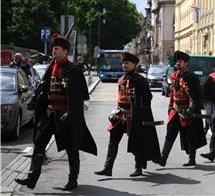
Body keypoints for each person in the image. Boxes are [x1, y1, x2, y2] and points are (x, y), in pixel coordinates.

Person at [15, 36, 97, 190]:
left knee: (71, 148)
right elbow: (45, 89)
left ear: (65, 51)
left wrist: (71, 113)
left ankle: (73, 180)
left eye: (57, 48)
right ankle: (32, 177)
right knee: (39, 143)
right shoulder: (51, 68)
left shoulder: (73, 70)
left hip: (66, 115)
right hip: (50, 114)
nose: (53, 50)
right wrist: (37, 99)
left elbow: (80, 97)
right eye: (53, 48)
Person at [94, 52, 161, 177]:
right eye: (123, 63)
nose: (124, 65)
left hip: (136, 116)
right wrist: (116, 112)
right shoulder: (121, 79)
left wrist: (138, 113)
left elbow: (147, 100)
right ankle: (107, 168)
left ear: (134, 64)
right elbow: (120, 98)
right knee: (113, 140)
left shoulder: (140, 80)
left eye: (127, 63)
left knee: (137, 141)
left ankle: (138, 167)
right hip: (121, 115)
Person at [155, 51, 206, 167]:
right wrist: (170, 106)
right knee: (170, 133)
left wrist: (191, 109)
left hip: (187, 111)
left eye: (180, 61)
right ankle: (163, 158)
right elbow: (173, 93)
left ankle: (192, 158)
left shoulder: (191, 77)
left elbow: (195, 96)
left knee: (190, 135)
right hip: (175, 110)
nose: (178, 63)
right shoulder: (174, 76)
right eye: (177, 61)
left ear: (186, 63)